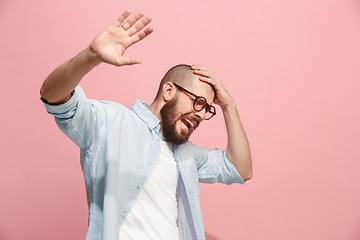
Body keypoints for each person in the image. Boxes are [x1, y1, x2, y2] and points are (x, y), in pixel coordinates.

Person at [40, 10, 252, 240]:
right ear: (169, 91)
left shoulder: (187, 155)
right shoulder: (111, 123)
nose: (200, 115)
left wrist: (228, 106)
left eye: (207, 109)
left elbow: (240, 169)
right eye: (198, 102)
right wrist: (91, 56)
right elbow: (53, 96)